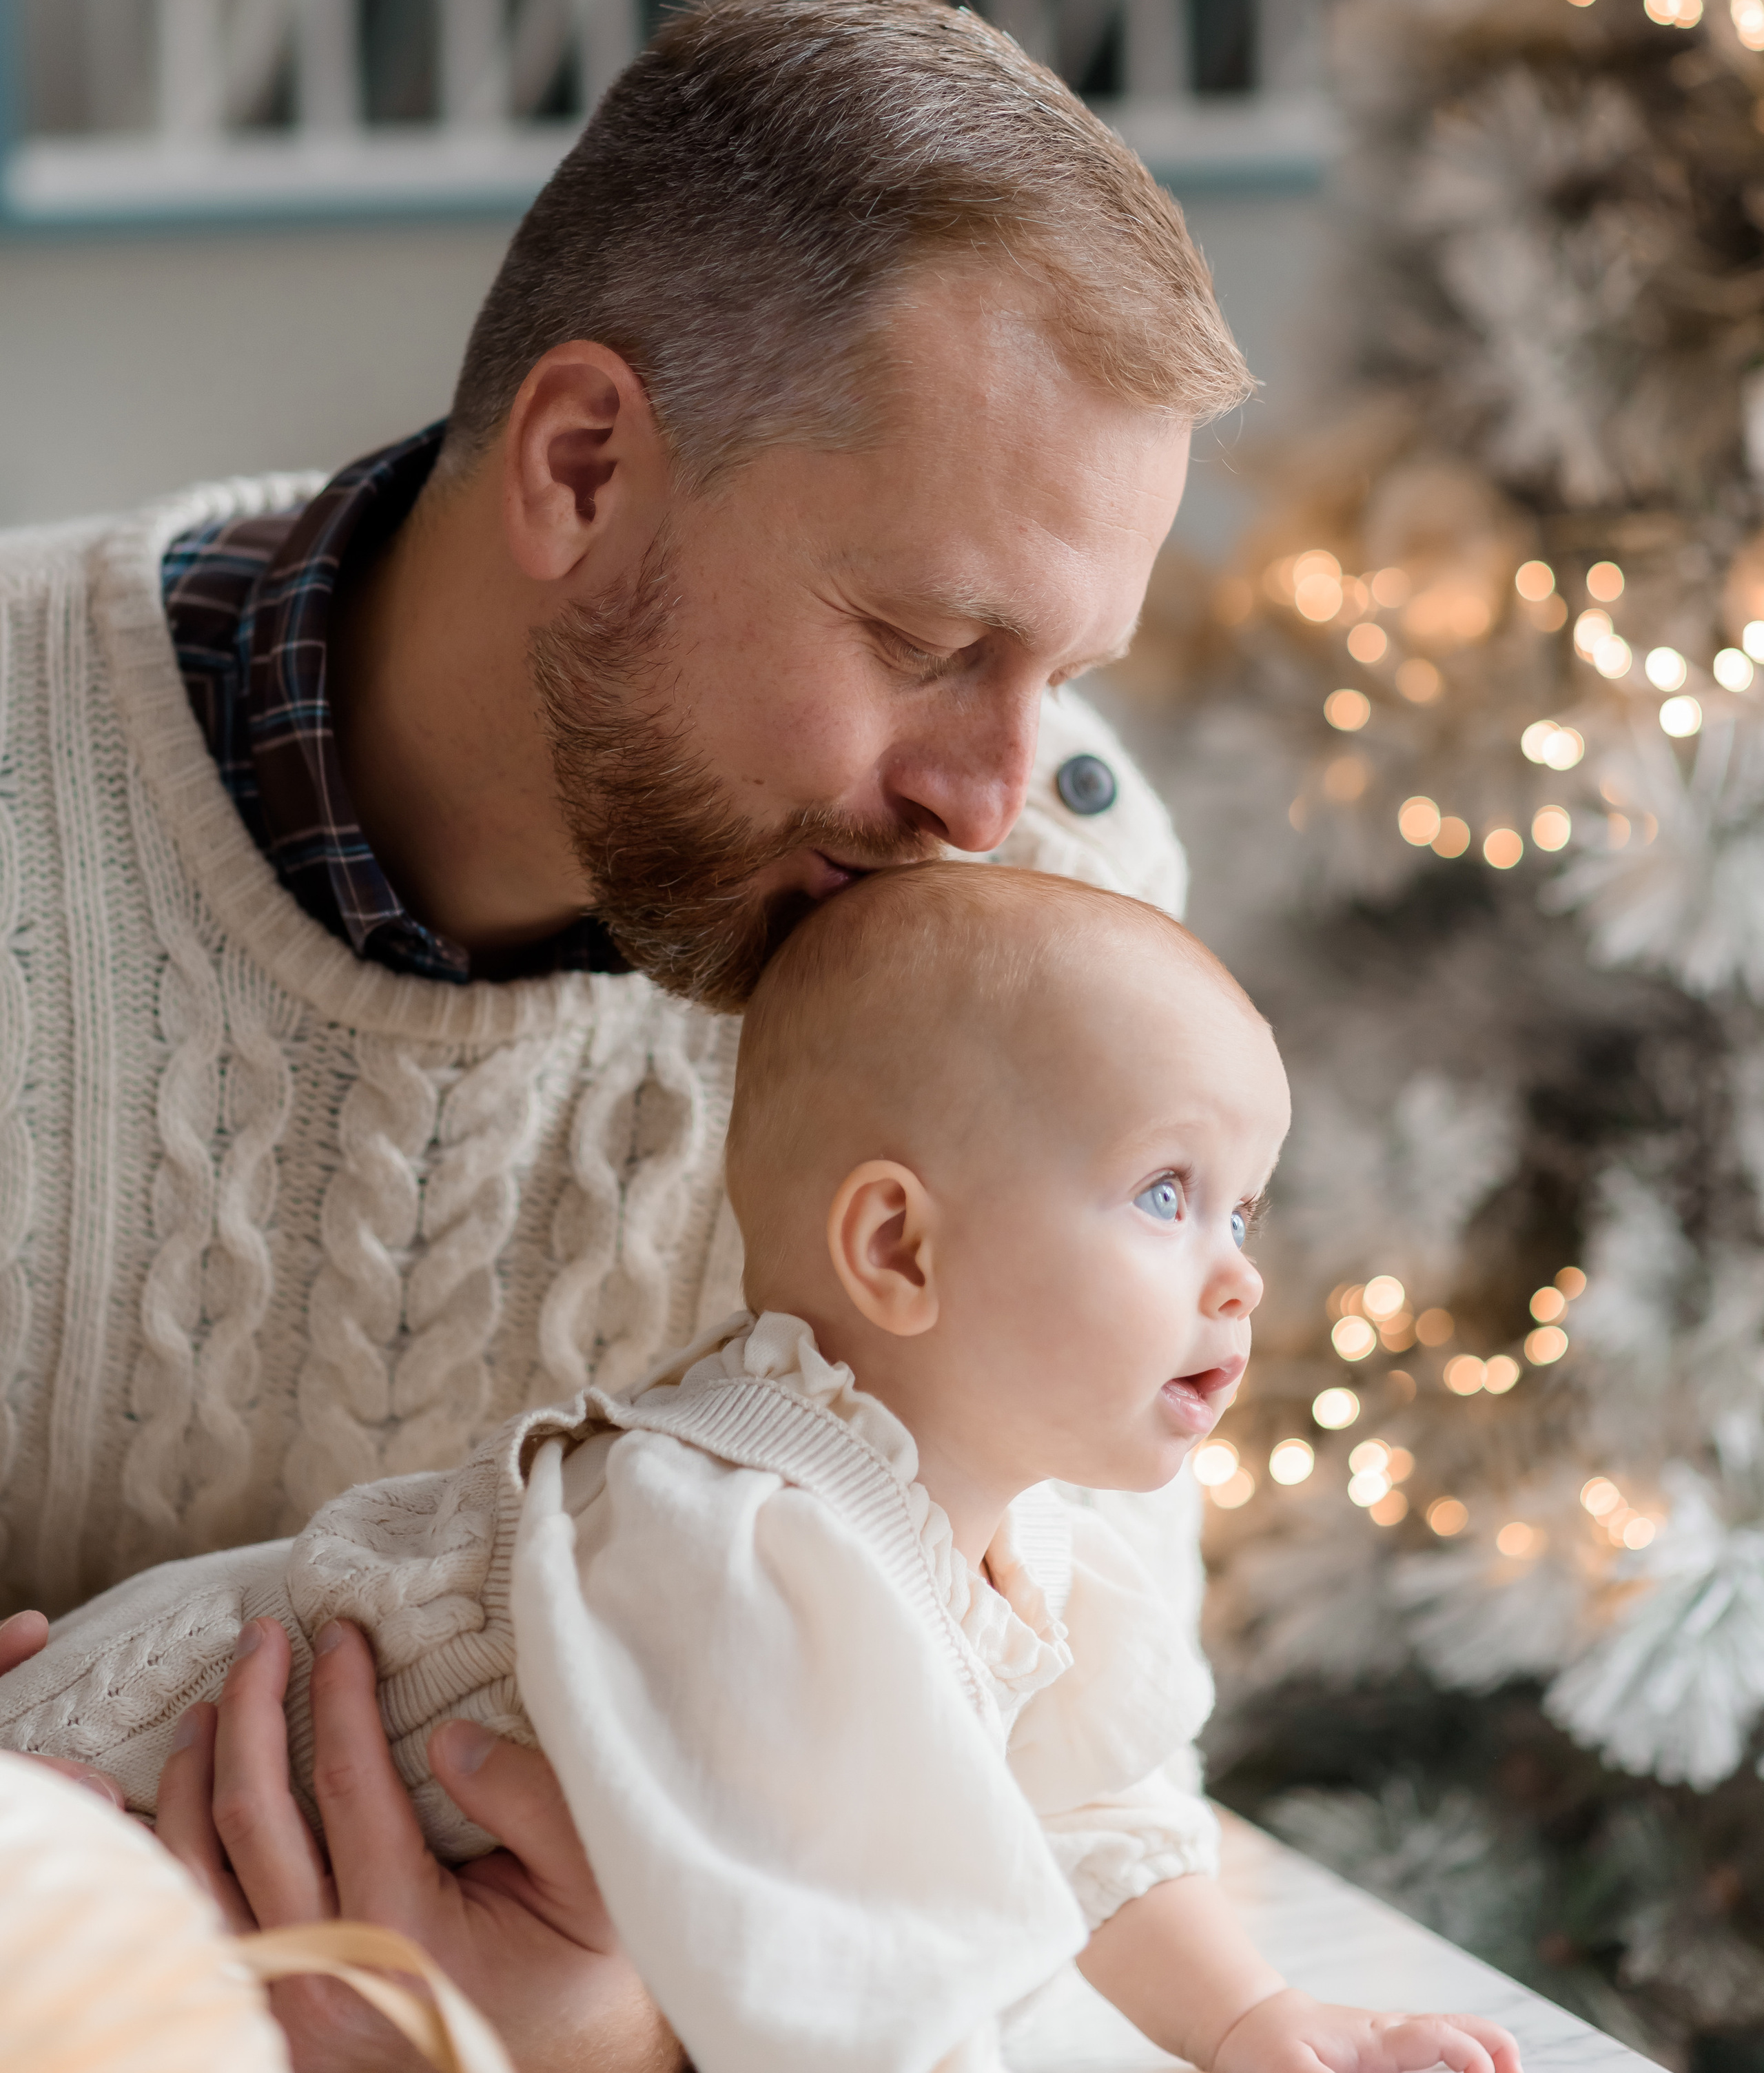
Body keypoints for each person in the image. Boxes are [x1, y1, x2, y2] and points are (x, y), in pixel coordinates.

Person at [0, 0, 1250, 2069]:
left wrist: (603, 2025)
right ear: (583, 469)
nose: (996, 793)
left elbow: (1056, 1731)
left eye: (1067, 669)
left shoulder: (1054, 934)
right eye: (931, 640)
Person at [0, 866, 1520, 2073]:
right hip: (125, 1785)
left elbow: (1093, 1824)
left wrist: (1258, 2026)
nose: (1239, 1277)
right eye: (1165, 1192)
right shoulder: (739, 1533)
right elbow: (852, 1995)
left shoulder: (1028, 1537)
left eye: (1243, 1213)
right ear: (897, 1248)